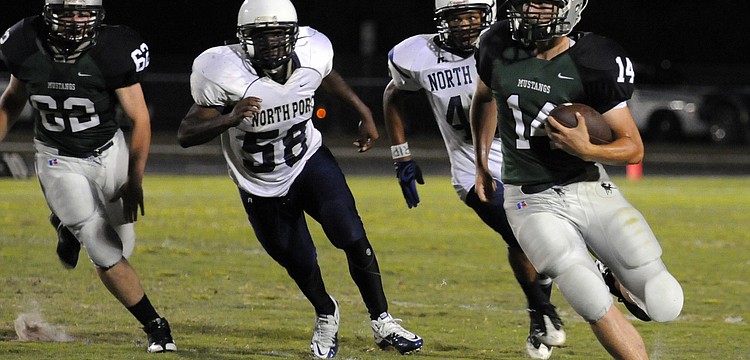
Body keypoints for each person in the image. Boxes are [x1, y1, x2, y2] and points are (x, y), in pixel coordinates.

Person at [177, 0, 423, 357]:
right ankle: (326, 313)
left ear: (293, 36)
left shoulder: (312, 49)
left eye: (280, 36)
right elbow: (186, 133)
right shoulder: (221, 70)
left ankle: (383, 321)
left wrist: (363, 109)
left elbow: (323, 74)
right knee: (300, 262)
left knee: (351, 235)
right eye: (262, 37)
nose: (272, 45)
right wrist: (229, 118)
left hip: (308, 160)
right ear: (244, 39)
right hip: (259, 184)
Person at [470, 0, 684, 359]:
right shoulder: (496, 43)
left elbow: (633, 148)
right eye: (526, 2)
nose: (530, 11)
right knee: (589, 296)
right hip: (530, 200)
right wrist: (480, 163)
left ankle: (616, 277)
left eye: (543, 4)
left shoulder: (595, 60)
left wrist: (587, 149)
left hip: (588, 186)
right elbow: (483, 99)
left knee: (663, 298)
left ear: (569, 9)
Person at [383, 1, 564, 358]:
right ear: (441, 21)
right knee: (526, 236)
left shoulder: (509, 46)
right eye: (456, 18)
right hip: (471, 171)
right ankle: (544, 312)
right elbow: (393, 95)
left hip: (527, 161)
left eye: (473, 17)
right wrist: (400, 154)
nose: (466, 24)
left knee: (535, 243)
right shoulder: (417, 55)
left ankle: (540, 313)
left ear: (489, 15)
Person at [0, 0, 176, 353]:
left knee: (124, 245)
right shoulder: (24, 42)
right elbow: (13, 99)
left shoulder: (113, 50)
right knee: (103, 248)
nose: (77, 21)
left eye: (84, 13)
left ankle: (66, 225)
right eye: (68, 13)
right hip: (57, 158)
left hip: (109, 152)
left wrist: (135, 179)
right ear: (50, 14)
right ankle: (156, 326)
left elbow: (140, 118)